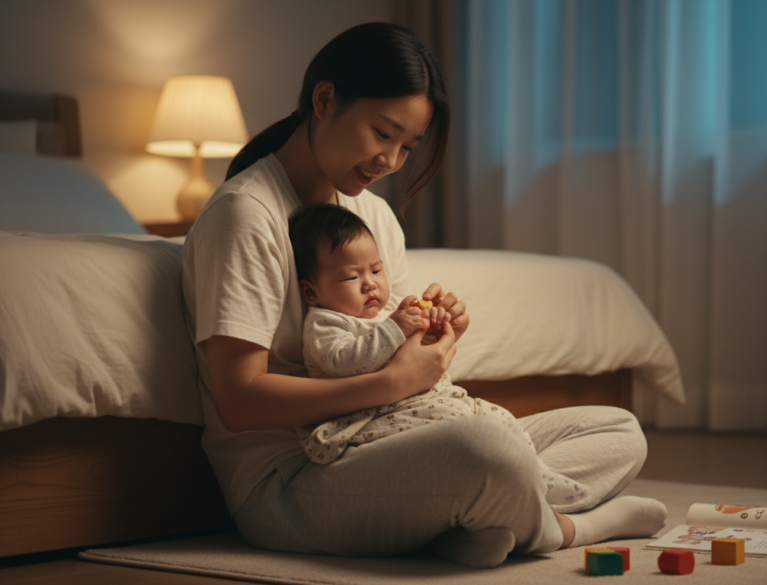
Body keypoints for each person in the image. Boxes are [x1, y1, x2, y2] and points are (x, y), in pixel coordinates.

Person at [181, 22, 666, 569]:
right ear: (325, 100)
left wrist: (435, 332)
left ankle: (462, 526)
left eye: (407, 147)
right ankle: (568, 528)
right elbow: (239, 401)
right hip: (293, 477)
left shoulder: (374, 214)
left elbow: (397, 354)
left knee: (618, 431)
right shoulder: (245, 214)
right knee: (486, 450)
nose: (391, 161)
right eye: (382, 133)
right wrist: (391, 382)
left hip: (390, 436)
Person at [288, 203, 587, 506]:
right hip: (374, 416)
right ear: (312, 292)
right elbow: (344, 362)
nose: (370, 284)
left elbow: (413, 358)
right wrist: (395, 329)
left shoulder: (389, 310)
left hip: (428, 401)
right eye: (351, 278)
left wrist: (431, 333)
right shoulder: (325, 323)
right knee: (468, 430)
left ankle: (535, 473)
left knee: (499, 418)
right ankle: (521, 485)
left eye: (376, 270)